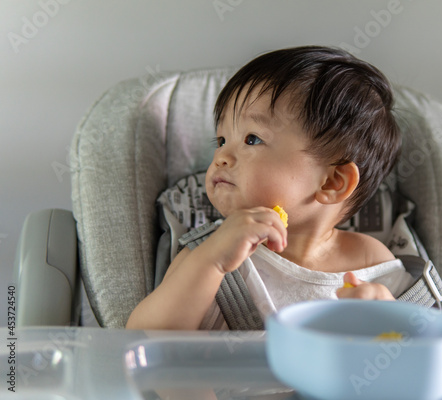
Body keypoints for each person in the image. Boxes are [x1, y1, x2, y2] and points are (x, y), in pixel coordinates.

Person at [126, 45, 413, 330]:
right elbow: (142, 337)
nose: (221, 157)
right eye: (222, 140)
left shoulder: (371, 262)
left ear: (332, 182)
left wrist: (387, 320)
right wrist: (210, 263)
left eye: (252, 139)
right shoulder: (210, 251)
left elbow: (418, 351)